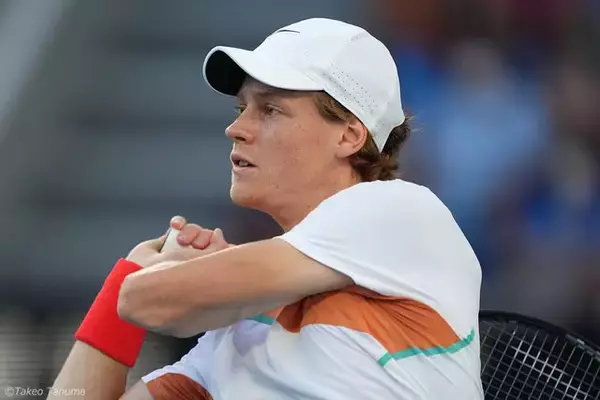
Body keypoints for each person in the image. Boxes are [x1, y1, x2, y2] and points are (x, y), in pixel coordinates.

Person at [49, 18, 484, 399]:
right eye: (242, 108)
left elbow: (146, 299)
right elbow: (141, 299)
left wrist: (156, 277)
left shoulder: (397, 210)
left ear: (349, 136)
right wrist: (132, 275)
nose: (235, 128)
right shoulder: (239, 331)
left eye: (271, 109)